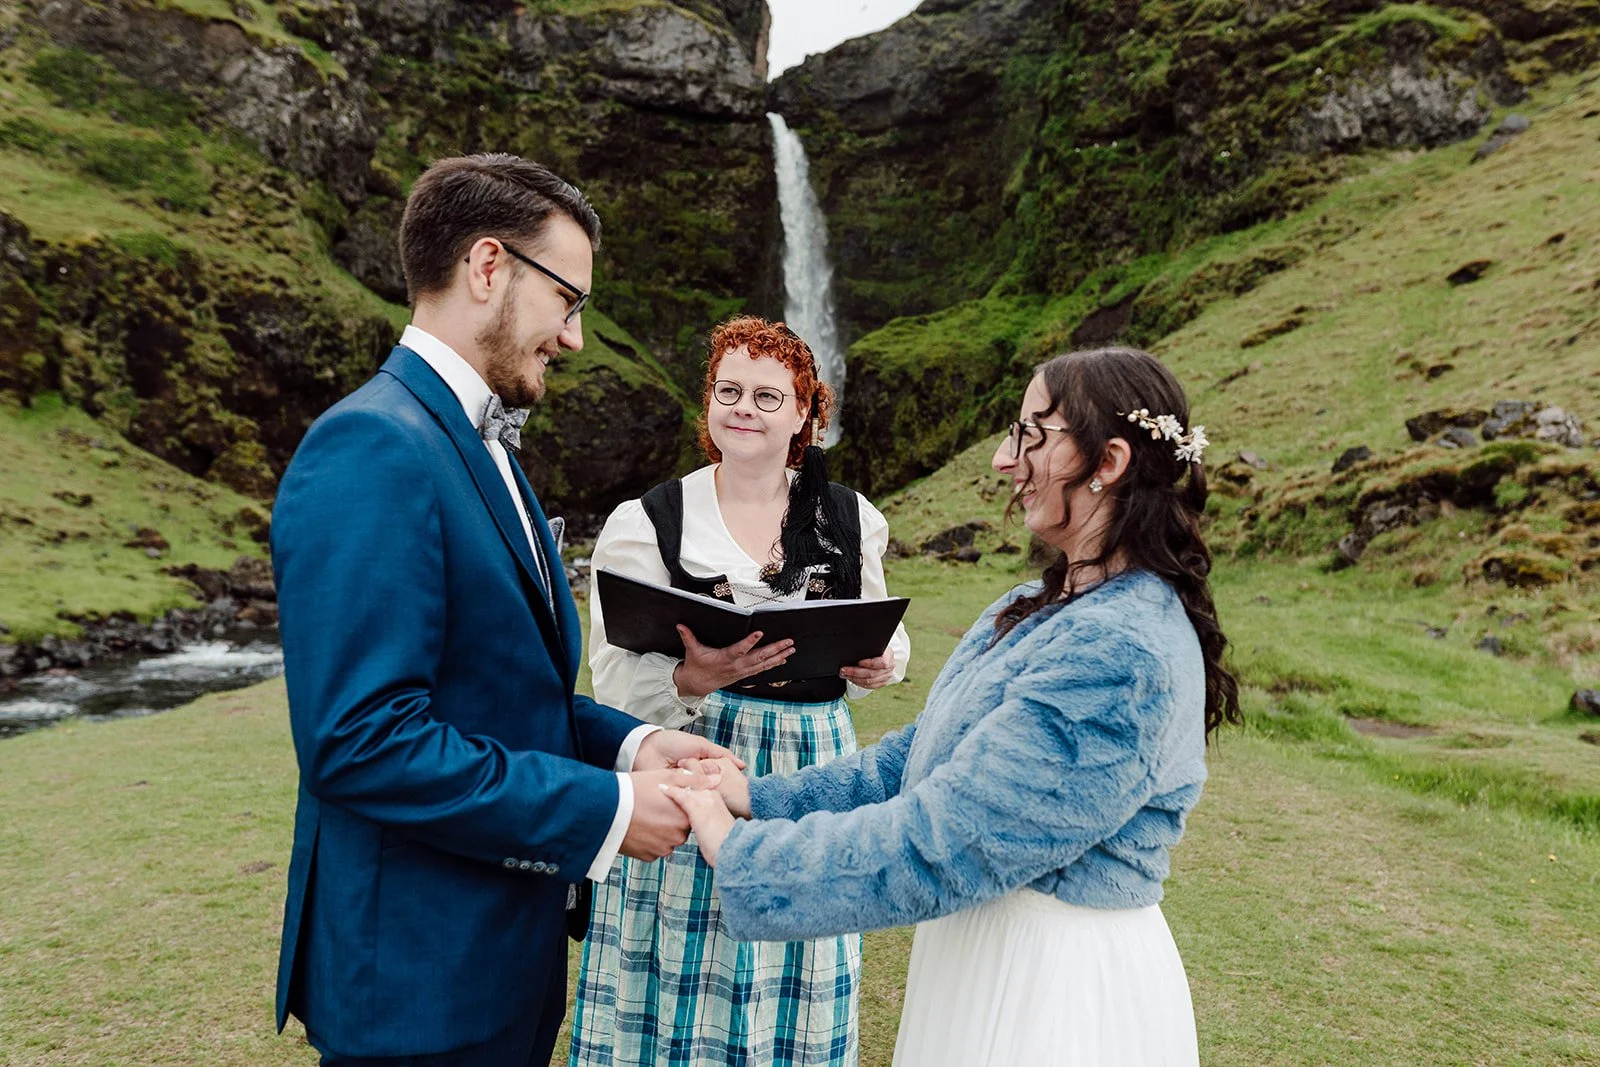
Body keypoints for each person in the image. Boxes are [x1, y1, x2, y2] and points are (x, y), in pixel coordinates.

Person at [269, 152, 737, 1067]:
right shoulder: (372, 445)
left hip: (501, 964)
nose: (575, 337)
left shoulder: (486, 448)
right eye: (568, 300)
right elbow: (361, 740)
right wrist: (606, 809)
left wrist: (633, 745)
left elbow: (499, 690)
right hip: (418, 987)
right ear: (488, 266)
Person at [665, 346, 1242, 1066]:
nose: (1003, 460)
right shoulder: (1035, 606)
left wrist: (740, 850)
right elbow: (920, 757)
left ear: (1109, 461)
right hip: (987, 954)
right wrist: (754, 795)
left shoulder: (1118, 651)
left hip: (1051, 988)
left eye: (1030, 435)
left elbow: (946, 841)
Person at [569, 316, 912, 1067]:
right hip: (695, 756)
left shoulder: (851, 517)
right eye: (728, 391)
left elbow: (884, 631)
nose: (743, 409)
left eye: (766, 395)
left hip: (814, 762)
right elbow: (613, 680)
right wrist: (691, 678)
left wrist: (881, 664)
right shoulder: (648, 521)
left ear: (803, 412)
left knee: (801, 950)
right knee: (686, 955)